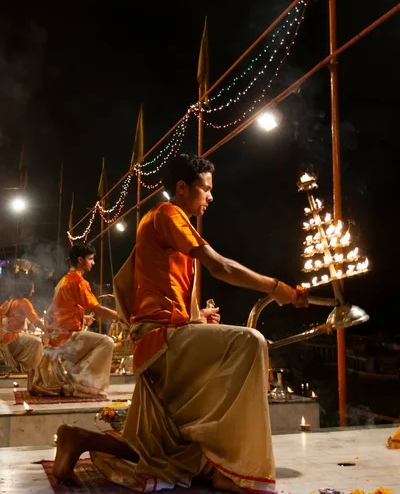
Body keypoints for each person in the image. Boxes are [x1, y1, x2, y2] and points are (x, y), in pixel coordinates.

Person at [53, 154, 297, 493]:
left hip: (164, 335)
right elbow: (220, 266)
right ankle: (235, 471)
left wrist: (198, 318)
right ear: (182, 188)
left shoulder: (168, 228)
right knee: (249, 342)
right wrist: (275, 287)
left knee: (168, 446)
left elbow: (160, 291)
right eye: (205, 189)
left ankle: (76, 438)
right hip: (161, 339)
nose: (211, 197)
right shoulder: (168, 214)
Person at [29, 243, 118, 398]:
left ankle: (75, 380)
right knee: (107, 342)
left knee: (95, 341)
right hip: (67, 339)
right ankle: (82, 385)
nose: (93, 262)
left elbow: (52, 312)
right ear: (80, 260)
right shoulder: (78, 282)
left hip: (56, 340)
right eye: (90, 259)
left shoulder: (63, 281)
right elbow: (98, 309)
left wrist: (81, 318)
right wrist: (120, 316)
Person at [0, 275, 44, 387]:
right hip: (11, 340)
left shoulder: (10, 302)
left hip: (5, 341)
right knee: (37, 342)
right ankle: (36, 373)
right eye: (32, 288)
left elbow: (29, 322)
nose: (33, 291)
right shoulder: (24, 302)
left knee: (33, 338)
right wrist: (49, 331)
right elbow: (36, 322)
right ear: (27, 289)